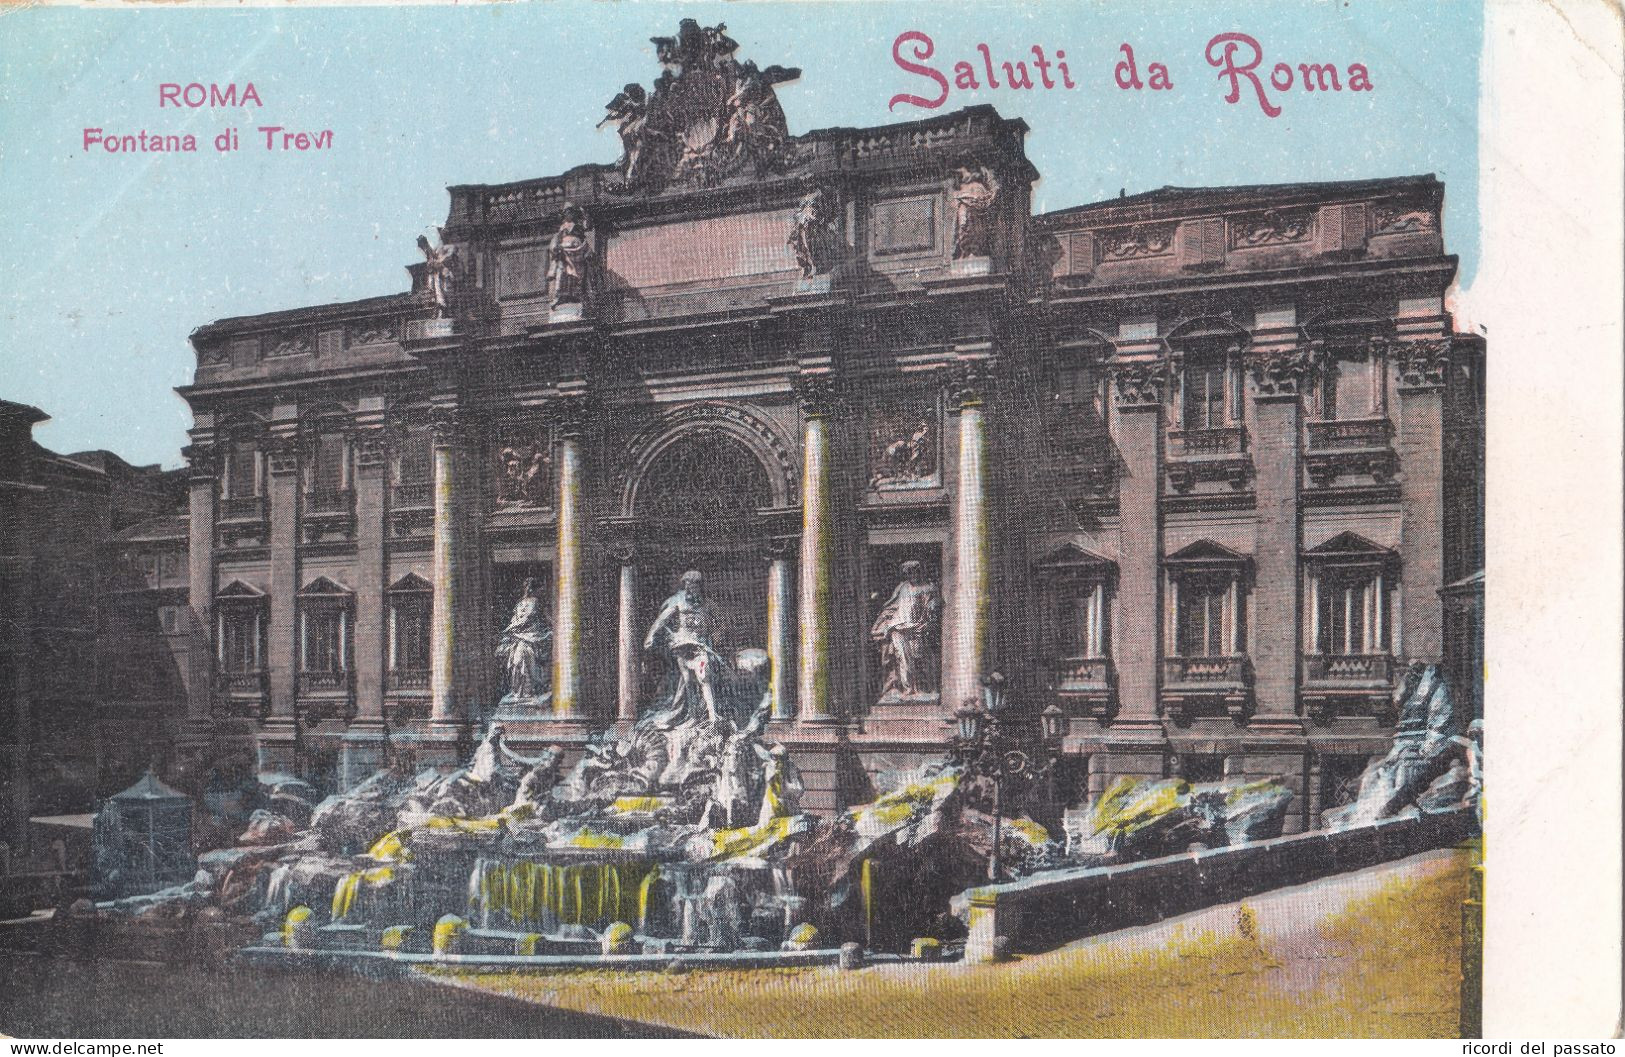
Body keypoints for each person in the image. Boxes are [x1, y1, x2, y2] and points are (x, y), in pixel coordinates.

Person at [643, 570, 730, 726]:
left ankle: (712, 715)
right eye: (688, 584)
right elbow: (662, 620)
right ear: (684, 585)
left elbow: (722, 623)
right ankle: (693, 715)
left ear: (699, 586)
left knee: (704, 676)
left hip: (701, 646)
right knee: (688, 680)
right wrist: (651, 636)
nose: (691, 587)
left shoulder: (708, 603)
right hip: (683, 647)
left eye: (695, 584)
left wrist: (717, 636)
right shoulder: (677, 601)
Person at [870, 560, 941, 699]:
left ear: (919, 572)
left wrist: (929, 617)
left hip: (917, 628)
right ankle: (908, 689)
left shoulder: (929, 587)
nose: (911, 575)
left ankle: (923, 689)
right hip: (898, 627)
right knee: (902, 659)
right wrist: (886, 620)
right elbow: (892, 604)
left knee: (919, 657)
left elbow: (934, 606)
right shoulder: (902, 587)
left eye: (914, 571)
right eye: (908, 572)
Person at [495, 578, 552, 701]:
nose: (542, 591)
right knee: (516, 663)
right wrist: (512, 628)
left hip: (532, 637)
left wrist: (510, 628)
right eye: (541, 589)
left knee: (522, 663)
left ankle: (527, 692)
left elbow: (529, 618)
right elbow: (516, 619)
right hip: (518, 637)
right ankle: (517, 692)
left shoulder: (536, 602)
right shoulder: (520, 603)